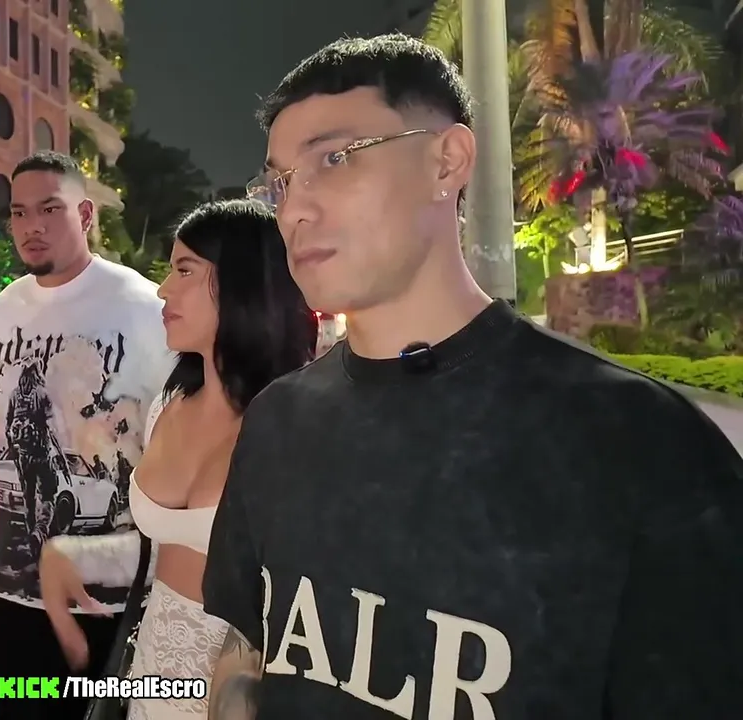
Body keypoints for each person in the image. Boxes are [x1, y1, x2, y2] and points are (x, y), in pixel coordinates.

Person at [201, 33, 743, 720]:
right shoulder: (278, 419)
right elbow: (246, 649)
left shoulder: (640, 445)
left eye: (334, 159)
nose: (293, 210)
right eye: (279, 182)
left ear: (447, 161)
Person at [38, 199, 316, 719]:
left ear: (242, 284)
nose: (164, 289)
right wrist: (71, 556)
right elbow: (169, 553)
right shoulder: (169, 404)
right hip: (150, 679)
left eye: (185, 270)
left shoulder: (298, 425)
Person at [0, 151, 171, 719]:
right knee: (19, 705)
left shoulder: (145, 307)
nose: (31, 225)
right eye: (19, 212)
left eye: (49, 209)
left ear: (84, 214)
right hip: (16, 596)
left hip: (114, 598)